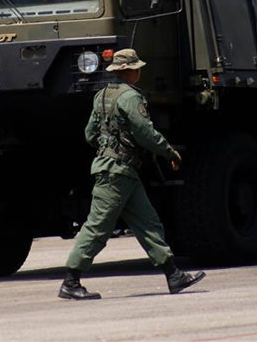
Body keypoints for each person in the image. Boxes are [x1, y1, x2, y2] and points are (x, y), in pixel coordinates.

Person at [59, 48, 205, 300]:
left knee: (149, 224)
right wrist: (169, 152)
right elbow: (145, 133)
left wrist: (108, 147)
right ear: (132, 71)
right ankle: (71, 280)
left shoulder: (101, 96)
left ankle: (173, 275)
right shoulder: (131, 98)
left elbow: (89, 135)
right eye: (137, 68)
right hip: (117, 174)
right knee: (97, 228)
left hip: (121, 172)